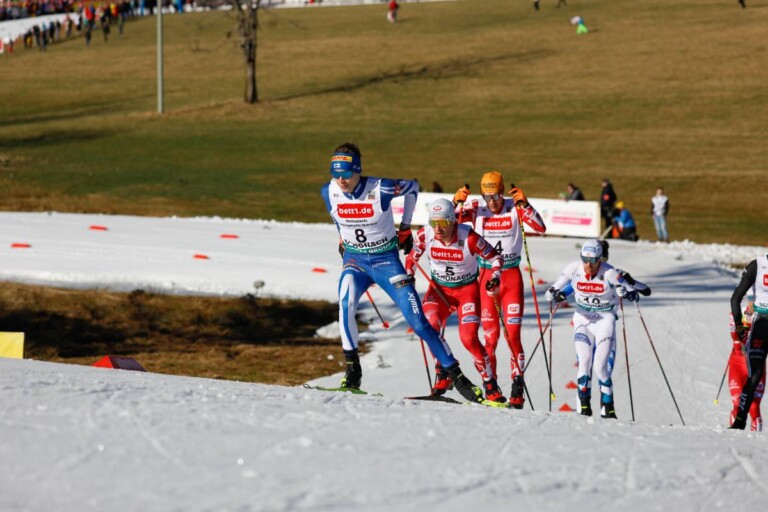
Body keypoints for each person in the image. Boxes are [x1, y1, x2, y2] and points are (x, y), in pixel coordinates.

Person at [320, 143, 486, 404]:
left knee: (418, 321)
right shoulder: (328, 191)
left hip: (387, 262)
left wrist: (406, 227)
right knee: (345, 303)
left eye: (346, 174)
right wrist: (342, 238)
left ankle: (457, 375)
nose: (340, 180)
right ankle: (353, 373)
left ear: (358, 170)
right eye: (335, 173)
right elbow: (336, 217)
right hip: (356, 262)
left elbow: (412, 187)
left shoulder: (381, 188)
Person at [453, 172, 547, 408]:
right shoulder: (476, 208)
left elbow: (541, 228)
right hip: (485, 277)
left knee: (512, 335)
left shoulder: (513, 207)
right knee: (490, 338)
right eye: (487, 196)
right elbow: (449, 224)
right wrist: (455, 203)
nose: (492, 202)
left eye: (495, 195)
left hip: (510, 278)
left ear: (502, 192)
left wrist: (526, 205)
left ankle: (517, 384)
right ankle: (491, 386)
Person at [405, 198, 506, 402]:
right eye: (434, 223)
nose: (438, 229)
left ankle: (490, 383)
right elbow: (411, 258)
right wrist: (409, 275)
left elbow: (496, 257)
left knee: (468, 338)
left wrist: (495, 277)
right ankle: (444, 371)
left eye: (443, 223)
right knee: (428, 325)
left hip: (466, 291)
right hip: (439, 290)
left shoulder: (468, 237)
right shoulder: (426, 234)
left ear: (453, 221)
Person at [544, 239, 638, 418]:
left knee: (600, 367)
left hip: (604, 320)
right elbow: (559, 285)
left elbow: (633, 293)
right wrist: (553, 293)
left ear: (600, 259)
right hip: (583, 319)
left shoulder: (609, 272)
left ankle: (608, 406)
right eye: (584, 260)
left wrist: (626, 293)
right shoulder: (574, 268)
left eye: (593, 261)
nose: (588, 265)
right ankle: (584, 407)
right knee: (584, 362)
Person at [729, 255, 768, 430]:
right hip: (761, 324)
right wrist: (739, 326)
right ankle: (739, 421)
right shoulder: (757, 265)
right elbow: (735, 298)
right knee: (755, 375)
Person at [728, 295, 764, 431]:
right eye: (751, 298)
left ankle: (755, 444)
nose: (753, 303)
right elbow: (736, 339)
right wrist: (743, 324)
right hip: (738, 363)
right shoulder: (739, 312)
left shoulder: (764, 314)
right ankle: (733, 438)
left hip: (756, 364)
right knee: (737, 404)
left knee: (754, 407)